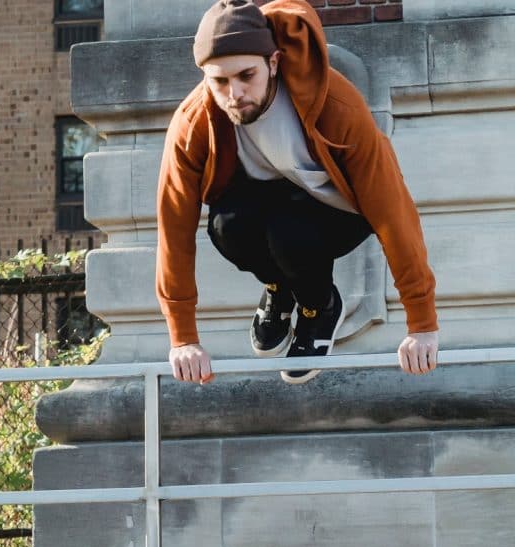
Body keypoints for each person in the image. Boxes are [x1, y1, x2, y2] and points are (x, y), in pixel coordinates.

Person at [156, 0, 440, 384]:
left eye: (246, 75)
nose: (234, 93)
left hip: (336, 211)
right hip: (265, 205)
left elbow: (393, 209)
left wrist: (421, 322)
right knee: (227, 226)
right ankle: (279, 290)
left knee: (289, 232)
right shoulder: (194, 123)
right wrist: (183, 338)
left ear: (273, 63)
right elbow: (173, 227)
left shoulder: (334, 102)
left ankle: (318, 308)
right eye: (219, 81)